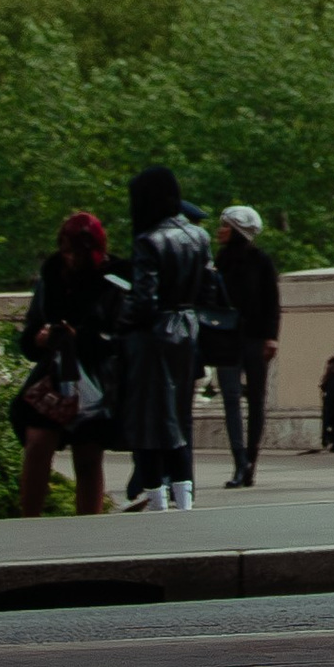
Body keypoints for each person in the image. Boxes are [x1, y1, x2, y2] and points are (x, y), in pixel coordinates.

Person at [12, 210, 127, 515]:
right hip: (55, 374)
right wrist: (40, 339)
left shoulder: (116, 279)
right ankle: (29, 520)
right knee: (37, 443)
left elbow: (121, 335)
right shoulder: (51, 276)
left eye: (76, 252)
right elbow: (30, 331)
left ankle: (88, 530)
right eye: (65, 252)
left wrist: (83, 337)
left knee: (88, 455)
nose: (70, 259)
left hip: (97, 379)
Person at [119, 165, 218, 514]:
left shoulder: (148, 240)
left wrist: (122, 319)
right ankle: (184, 495)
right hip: (188, 329)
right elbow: (209, 290)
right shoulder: (199, 237)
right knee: (178, 418)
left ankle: (156, 495)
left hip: (156, 336)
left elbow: (145, 300)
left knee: (150, 420)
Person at [208, 203, 281, 489]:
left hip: (255, 338)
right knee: (229, 399)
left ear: (237, 230)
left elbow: (272, 302)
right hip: (226, 338)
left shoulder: (261, 261)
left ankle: (251, 459)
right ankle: (239, 460)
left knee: (257, 401)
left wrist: (271, 337)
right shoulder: (221, 260)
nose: (220, 230)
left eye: (225, 225)